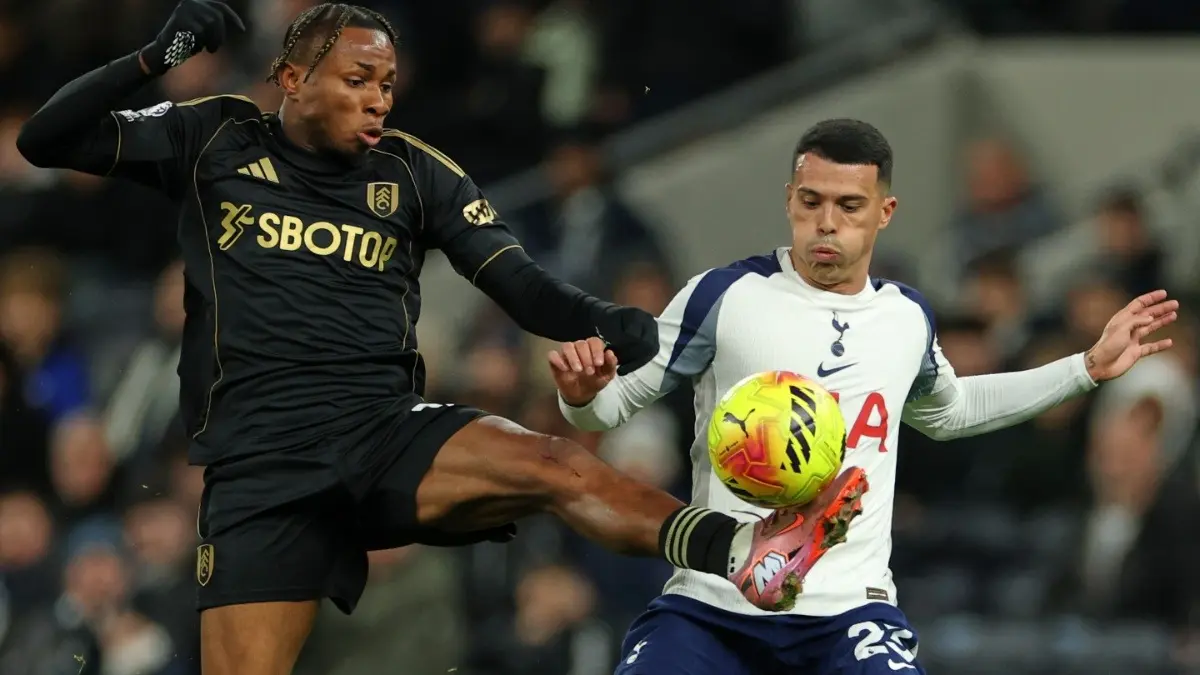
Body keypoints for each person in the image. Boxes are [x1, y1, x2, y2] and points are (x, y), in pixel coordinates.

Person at [16, 3, 830, 673]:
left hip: (380, 430)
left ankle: (742, 552)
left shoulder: (414, 172)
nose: (379, 100)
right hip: (260, 466)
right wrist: (157, 57)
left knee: (553, 463)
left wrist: (610, 321)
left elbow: (518, 283)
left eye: (387, 84)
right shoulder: (213, 138)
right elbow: (45, 139)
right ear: (293, 79)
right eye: (358, 80)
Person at [548, 118, 1178, 675]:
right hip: (714, 606)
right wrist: (580, 397)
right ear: (789, 200)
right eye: (811, 201)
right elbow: (612, 406)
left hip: (847, 616)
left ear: (885, 211)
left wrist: (1085, 368)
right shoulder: (722, 296)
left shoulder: (906, 317)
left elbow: (951, 411)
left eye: (850, 205)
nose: (827, 223)